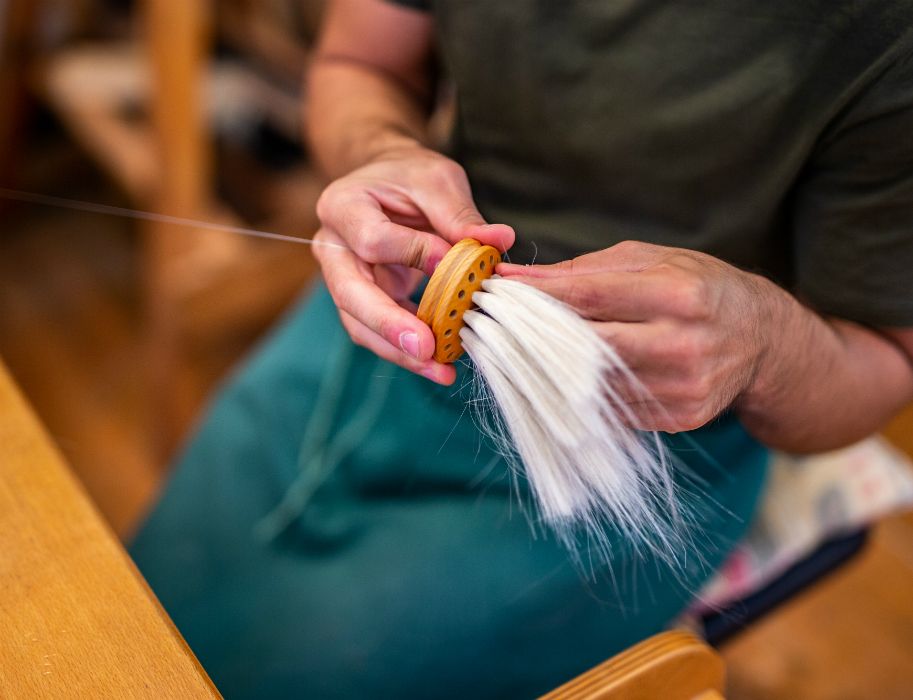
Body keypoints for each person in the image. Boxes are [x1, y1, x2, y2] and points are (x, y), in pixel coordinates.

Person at [130, 1, 913, 697]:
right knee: (148, 592)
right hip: (409, 316)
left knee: (314, 666)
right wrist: (378, 155)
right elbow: (357, 60)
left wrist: (764, 344)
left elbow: (888, 356)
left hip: (644, 429)